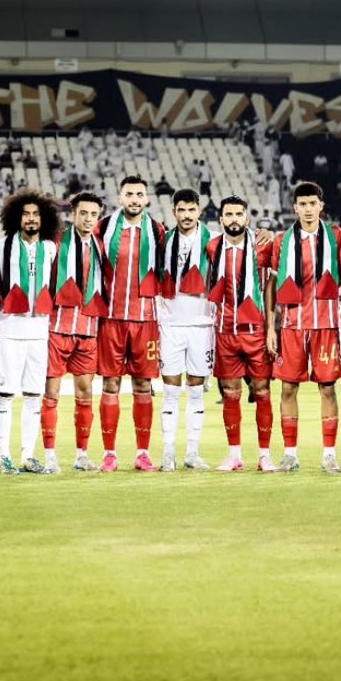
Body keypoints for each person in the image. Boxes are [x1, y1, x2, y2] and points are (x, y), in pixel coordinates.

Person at [267, 182, 341, 472]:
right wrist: (271, 327)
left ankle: (329, 455)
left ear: (321, 205)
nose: (308, 209)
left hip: (326, 324)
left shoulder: (335, 236)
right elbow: (272, 284)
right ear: (295, 208)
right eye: (303, 204)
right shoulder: (282, 241)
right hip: (292, 325)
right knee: (288, 388)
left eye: (313, 203)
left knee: (328, 388)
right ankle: (290, 455)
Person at [95, 176, 166, 471]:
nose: (134, 199)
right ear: (120, 197)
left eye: (139, 194)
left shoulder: (158, 230)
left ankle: (142, 453)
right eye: (129, 194)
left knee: (143, 384)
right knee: (110, 384)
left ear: (146, 198)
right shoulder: (104, 227)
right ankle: (109, 453)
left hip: (146, 319)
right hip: (111, 319)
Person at [0, 190, 61, 474]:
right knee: (6, 394)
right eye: (25, 214)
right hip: (9, 331)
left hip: (39, 332)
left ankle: (28, 456)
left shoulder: (50, 248)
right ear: (15, 218)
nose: (31, 219)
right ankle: (4, 456)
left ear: (44, 218)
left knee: (34, 395)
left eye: (35, 214)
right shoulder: (0, 247)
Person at [208, 196, 274, 471]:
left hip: (256, 331)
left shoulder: (264, 246)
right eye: (229, 214)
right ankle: (234, 455)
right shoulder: (212, 246)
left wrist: (271, 328)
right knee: (230, 392)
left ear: (247, 218)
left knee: (262, 391)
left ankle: (264, 455)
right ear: (221, 219)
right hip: (225, 331)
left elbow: (270, 286)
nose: (234, 219)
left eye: (239, 214)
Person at [43, 192, 107, 472]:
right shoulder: (56, 243)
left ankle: (82, 455)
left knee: (85, 393)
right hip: (57, 329)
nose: (88, 219)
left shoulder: (101, 246)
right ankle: (49, 455)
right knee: (51, 393)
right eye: (83, 213)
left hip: (88, 329)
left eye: (93, 214)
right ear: (73, 214)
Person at [156, 189, 215, 471]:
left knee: (195, 391)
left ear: (199, 211)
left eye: (192, 210)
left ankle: (192, 453)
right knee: (170, 391)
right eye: (182, 210)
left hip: (202, 325)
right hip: (170, 324)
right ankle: (168, 453)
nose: (187, 215)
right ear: (174, 212)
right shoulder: (163, 241)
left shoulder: (213, 241)